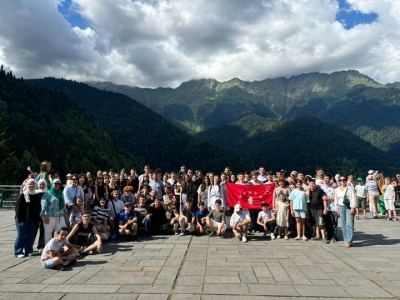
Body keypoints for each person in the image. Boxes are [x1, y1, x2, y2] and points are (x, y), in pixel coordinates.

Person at [14, 178, 42, 257]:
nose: (31, 185)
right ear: (27, 185)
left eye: (33, 184)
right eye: (30, 184)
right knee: (21, 235)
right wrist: (20, 220)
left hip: (32, 219)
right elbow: (18, 209)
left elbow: (38, 209)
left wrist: (38, 219)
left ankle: (28, 250)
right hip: (22, 218)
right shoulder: (22, 195)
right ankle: (18, 251)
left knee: (30, 235)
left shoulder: (36, 196)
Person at [40, 179, 67, 244]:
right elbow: (44, 204)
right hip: (50, 216)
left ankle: (58, 246)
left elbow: (63, 204)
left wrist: (65, 213)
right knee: (48, 232)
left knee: (61, 232)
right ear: (52, 184)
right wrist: (45, 215)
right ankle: (49, 248)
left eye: (59, 184)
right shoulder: (48, 193)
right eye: (55, 183)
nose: (57, 185)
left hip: (60, 216)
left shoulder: (61, 193)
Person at [335, 175, 356, 248]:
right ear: (339, 181)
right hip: (341, 207)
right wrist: (337, 209)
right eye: (341, 180)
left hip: (349, 207)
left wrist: (353, 207)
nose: (342, 181)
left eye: (344, 180)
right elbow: (336, 199)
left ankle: (348, 241)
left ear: (346, 180)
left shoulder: (349, 188)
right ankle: (345, 239)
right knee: (343, 224)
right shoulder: (337, 189)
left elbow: (353, 197)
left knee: (349, 223)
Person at [307, 179, 329, 243]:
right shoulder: (309, 191)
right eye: (310, 184)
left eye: (313, 184)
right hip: (312, 209)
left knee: (320, 223)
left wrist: (325, 209)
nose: (312, 185)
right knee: (315, 223)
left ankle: (324, 237)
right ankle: (318, 236)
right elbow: (307, 195)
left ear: (315, 184)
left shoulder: (319, 190)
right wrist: (308, 190)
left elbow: (324, 199)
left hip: (319, 209)